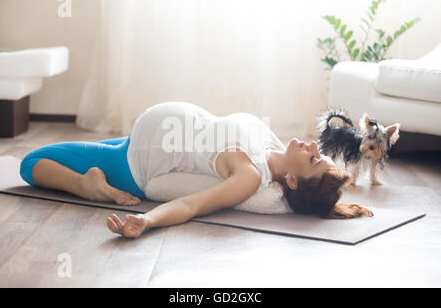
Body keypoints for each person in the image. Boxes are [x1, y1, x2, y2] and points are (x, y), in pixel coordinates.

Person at [20, 101, 372, 239]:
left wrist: (148, 221)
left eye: (313, 158)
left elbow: (192, 205)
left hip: (134, 164)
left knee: (32, 163)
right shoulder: (273, 146)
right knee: (51, 158)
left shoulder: (250, 177)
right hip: (136, 139)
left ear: (291, 180)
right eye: (319, 153)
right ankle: (89, 180)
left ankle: (88, 187)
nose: (312, 147)